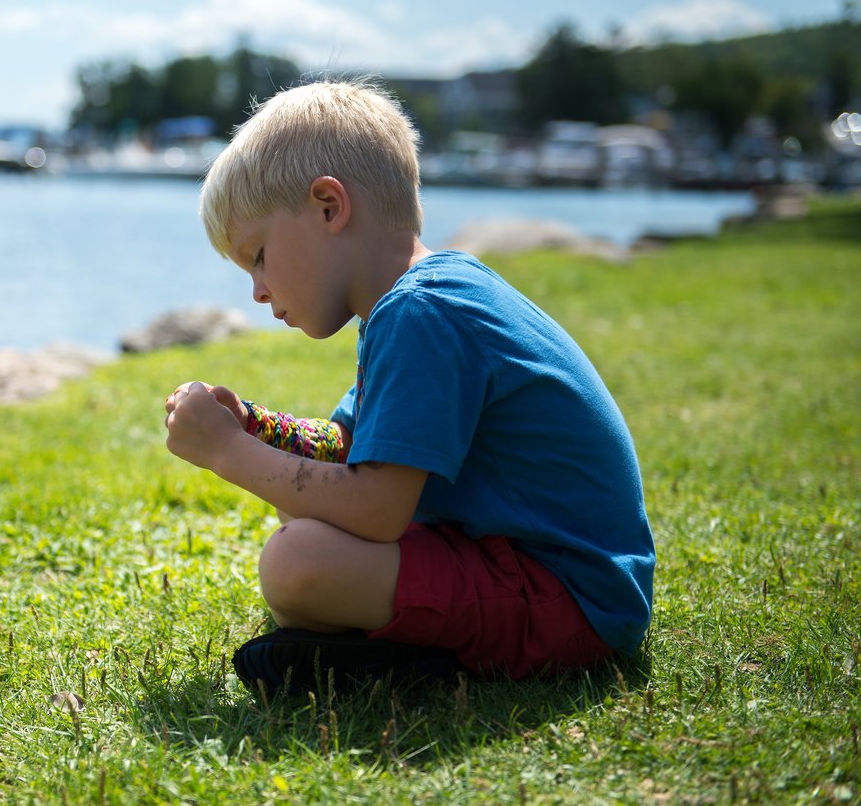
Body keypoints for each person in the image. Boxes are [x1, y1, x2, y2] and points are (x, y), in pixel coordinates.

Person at [164, 80, 655, 696]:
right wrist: (257, 427)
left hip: (570, 602)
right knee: (307, 527)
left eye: (259, 255)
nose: (258, 291)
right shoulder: (418, 300)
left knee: (298, 562)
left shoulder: (422, 312)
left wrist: (225, 453)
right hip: (534, 573)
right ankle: (389, 649)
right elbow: (347, 444)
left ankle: (402, 663)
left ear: (327, 207)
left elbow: (376, 510)